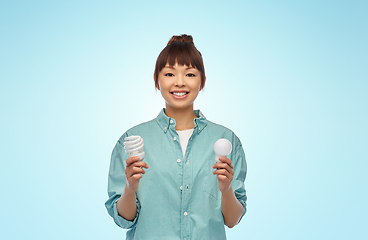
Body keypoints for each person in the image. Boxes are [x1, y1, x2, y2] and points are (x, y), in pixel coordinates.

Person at [105, 34, 247, 240]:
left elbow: (232, 220)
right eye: (170, 74)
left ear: (202, 81)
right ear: (157, 80)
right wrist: (130, 188)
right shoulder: (131, 140)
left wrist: (226, 190)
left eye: (190, 74)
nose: (180, 83)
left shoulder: (227, 139)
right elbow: (124, 220)